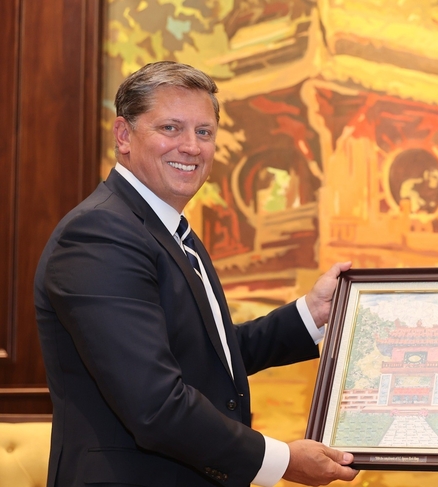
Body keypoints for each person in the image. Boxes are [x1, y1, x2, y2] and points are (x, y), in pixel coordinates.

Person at [34, 61, 359, 487]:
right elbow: (155, 405)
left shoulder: (169, 230)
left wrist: (309, 315)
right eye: (171, 128)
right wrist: (281, 460)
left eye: (203, 132)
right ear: (123, 135)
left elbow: (205, 355)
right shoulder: (99, 234)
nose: (191, 146)